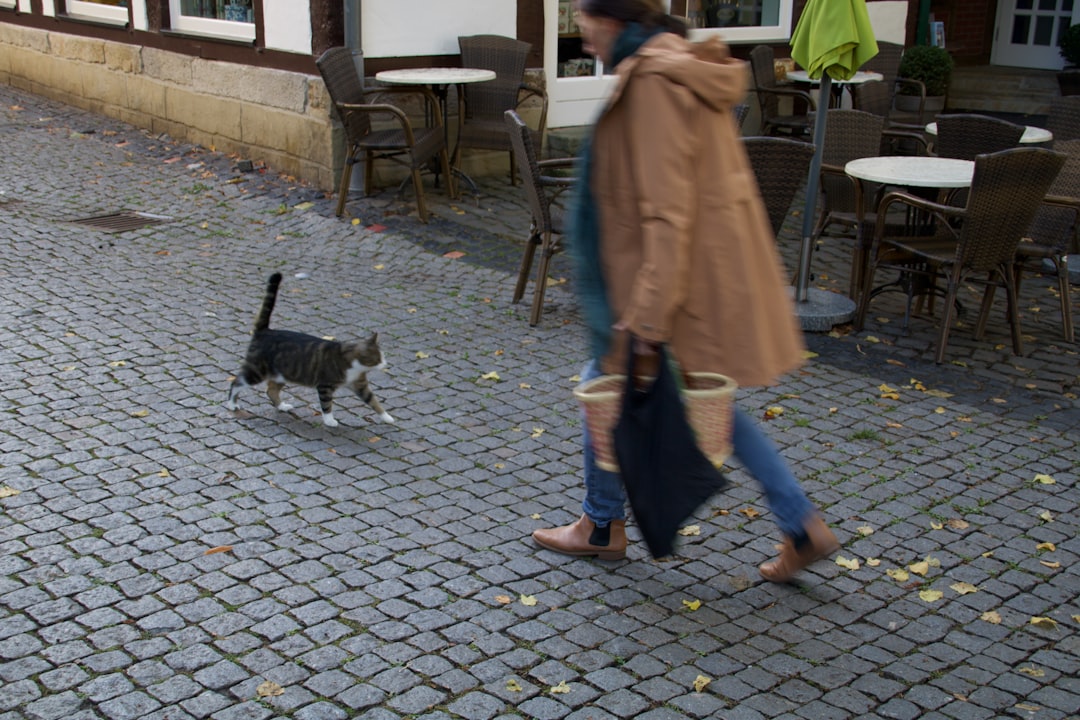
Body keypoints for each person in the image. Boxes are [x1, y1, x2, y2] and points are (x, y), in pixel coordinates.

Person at [531, 0, 839, 582]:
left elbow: (667, 212)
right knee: (701, 404)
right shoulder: (676, 64)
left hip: (663, 286)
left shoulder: (653, 80)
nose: (579, 33)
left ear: (614, 17)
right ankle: (799, 524)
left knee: (609, 386)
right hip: (692, 278)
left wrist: (645, 317)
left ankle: (601, 525)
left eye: (584, 17)